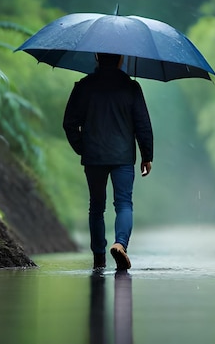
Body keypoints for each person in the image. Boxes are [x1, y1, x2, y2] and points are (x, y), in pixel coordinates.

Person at [63, 52, 153, 270]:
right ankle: (120, 244)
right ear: (121, 59)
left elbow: (69, 123)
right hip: (122, 157)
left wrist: (82, 148)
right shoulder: (131, 87)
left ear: (96, 56)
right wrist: (146, 155)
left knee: (96, 207)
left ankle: (99, 258)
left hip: (93, 156)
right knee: (123, 203)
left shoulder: (84, 86)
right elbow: (142, 124)